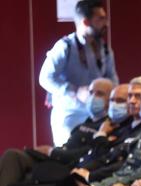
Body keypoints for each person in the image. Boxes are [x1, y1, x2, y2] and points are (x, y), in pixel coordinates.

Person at [39, 0, 118, 145]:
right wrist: (74, 90)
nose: (106, 23)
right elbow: (45, 78)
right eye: (100, 19)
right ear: (86, 22)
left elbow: (113, 81)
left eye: (105, 18)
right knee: (68, 157)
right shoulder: (65, 47)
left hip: (97, 115)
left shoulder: (105, 50)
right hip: (70, 115)